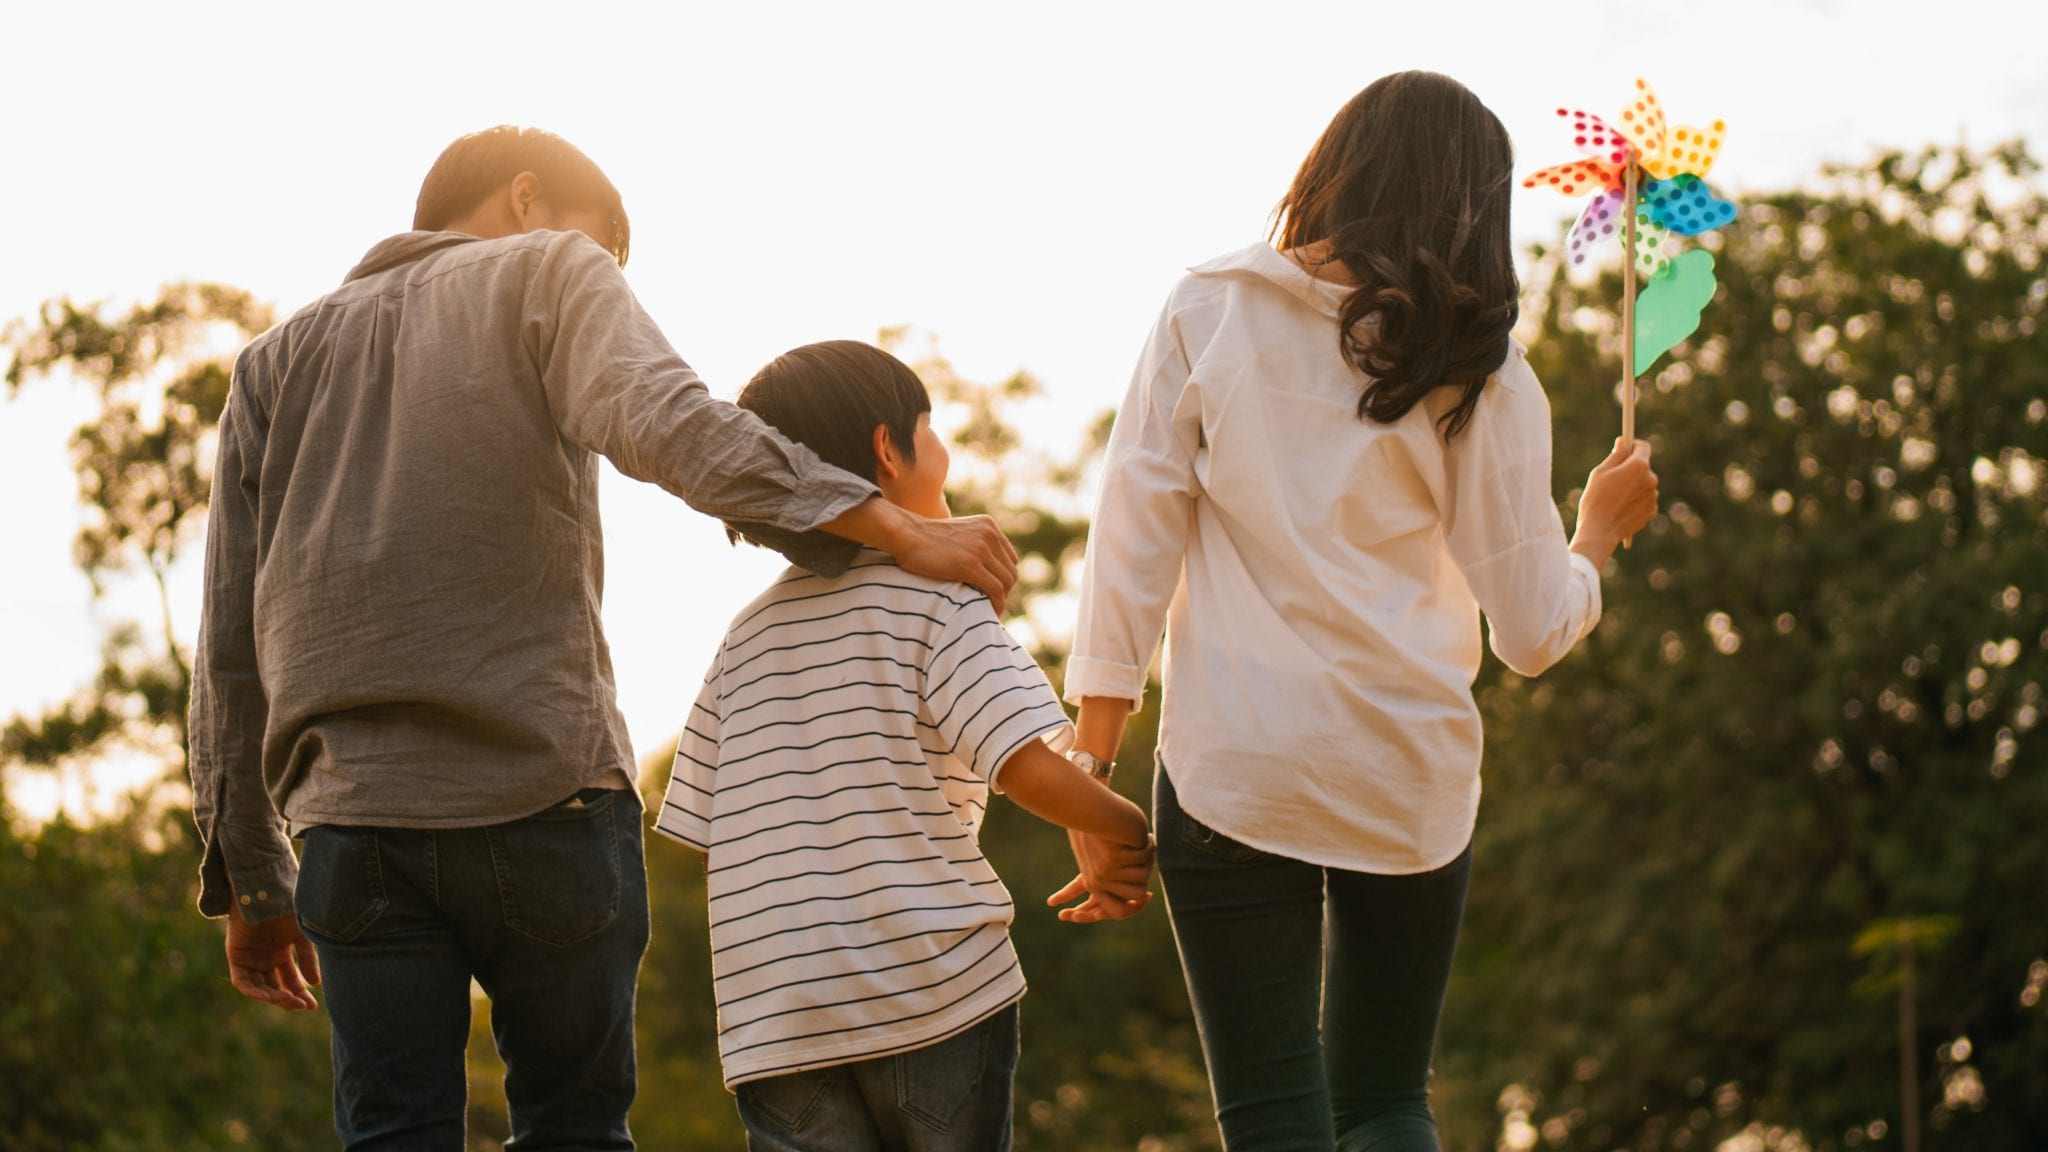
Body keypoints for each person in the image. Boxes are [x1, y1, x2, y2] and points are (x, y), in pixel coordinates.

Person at [188, 127, 1021, 1151]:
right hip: (544, 796)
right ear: (529, 198)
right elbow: (673, 424)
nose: (612, 279)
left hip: (355, 827)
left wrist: (255, 877)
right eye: (609, 250)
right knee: (571, 1128)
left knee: (392, 1131)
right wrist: (895, 524)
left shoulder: (271, 364)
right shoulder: (545, 270)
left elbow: (228, 636)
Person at [1056, 72, 1663, 1150]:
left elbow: (1129, 545)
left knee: (1273, 1114)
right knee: (1386, 1103)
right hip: (1404, 768)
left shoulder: (1209, 305)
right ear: (1475, 207)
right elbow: (1528, 633)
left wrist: (1087, 773)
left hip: (1236, 765)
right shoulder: (1484, 372)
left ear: (1336, 166)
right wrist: (1594, 537)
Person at [652, 340, 1154, 1152]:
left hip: (776, 1020)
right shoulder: (936, 597)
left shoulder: (742, 640)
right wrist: (1128, 828)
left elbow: (712, 840)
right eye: (934, 426)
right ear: (890, 448)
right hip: (928, 993)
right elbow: (1024, 767)